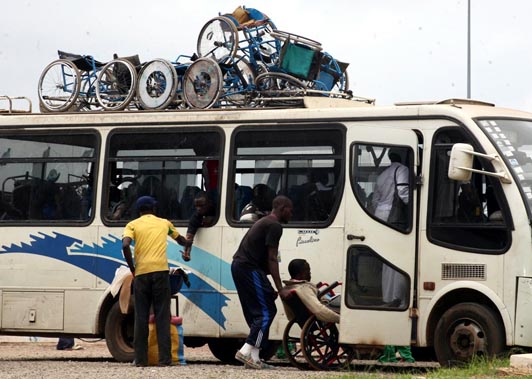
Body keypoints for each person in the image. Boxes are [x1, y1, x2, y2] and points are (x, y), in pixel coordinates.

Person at [122, 196, 192, 367]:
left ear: (139, 211)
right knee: (162, 316)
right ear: (153, 209)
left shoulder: (132, 225)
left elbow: (125, 245)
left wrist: (132, 268)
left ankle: (140, 360)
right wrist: (188, 245)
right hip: (161, 273)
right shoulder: (164, 223)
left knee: (141, 316)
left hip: (142, 274)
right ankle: (165, 359)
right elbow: (181, 240)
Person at [232, 195, 293, 370]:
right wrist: (280, 289)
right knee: (266, 311)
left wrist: (269, 287)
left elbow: (265, 260)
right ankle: (245, 350)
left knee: (257, 311)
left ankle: (255, 358)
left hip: (241, 267)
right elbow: (272, 259)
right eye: (290, 210)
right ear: (282, 208)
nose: (292, 214)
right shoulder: (275, 226)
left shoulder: (265, 222)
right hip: (247, 268)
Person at [371, 149, 414, 363]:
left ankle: (389, 299)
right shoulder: (403, 170)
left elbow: (376, 199)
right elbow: (405, 194)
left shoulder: (381, 175)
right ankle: (395, 302)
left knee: (387, 265)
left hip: (381, 217)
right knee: (397, 268)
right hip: (395, 220)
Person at [282, 259, 340, 324]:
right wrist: (340, 319)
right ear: (299, 275)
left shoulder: (286, 289)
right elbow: (319, 310)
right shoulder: (303, 288)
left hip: (321, 302)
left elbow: (290, 316)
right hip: (327, 306)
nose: (310, 273)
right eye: (308, 271)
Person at [182, 191, 216, 261]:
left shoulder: (219, 210)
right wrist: (186, 252)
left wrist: (214, 219)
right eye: (196, 206)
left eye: (201, 205)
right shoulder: (196, 217)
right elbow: (189, 238)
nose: (198, 209)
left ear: (209, 203)